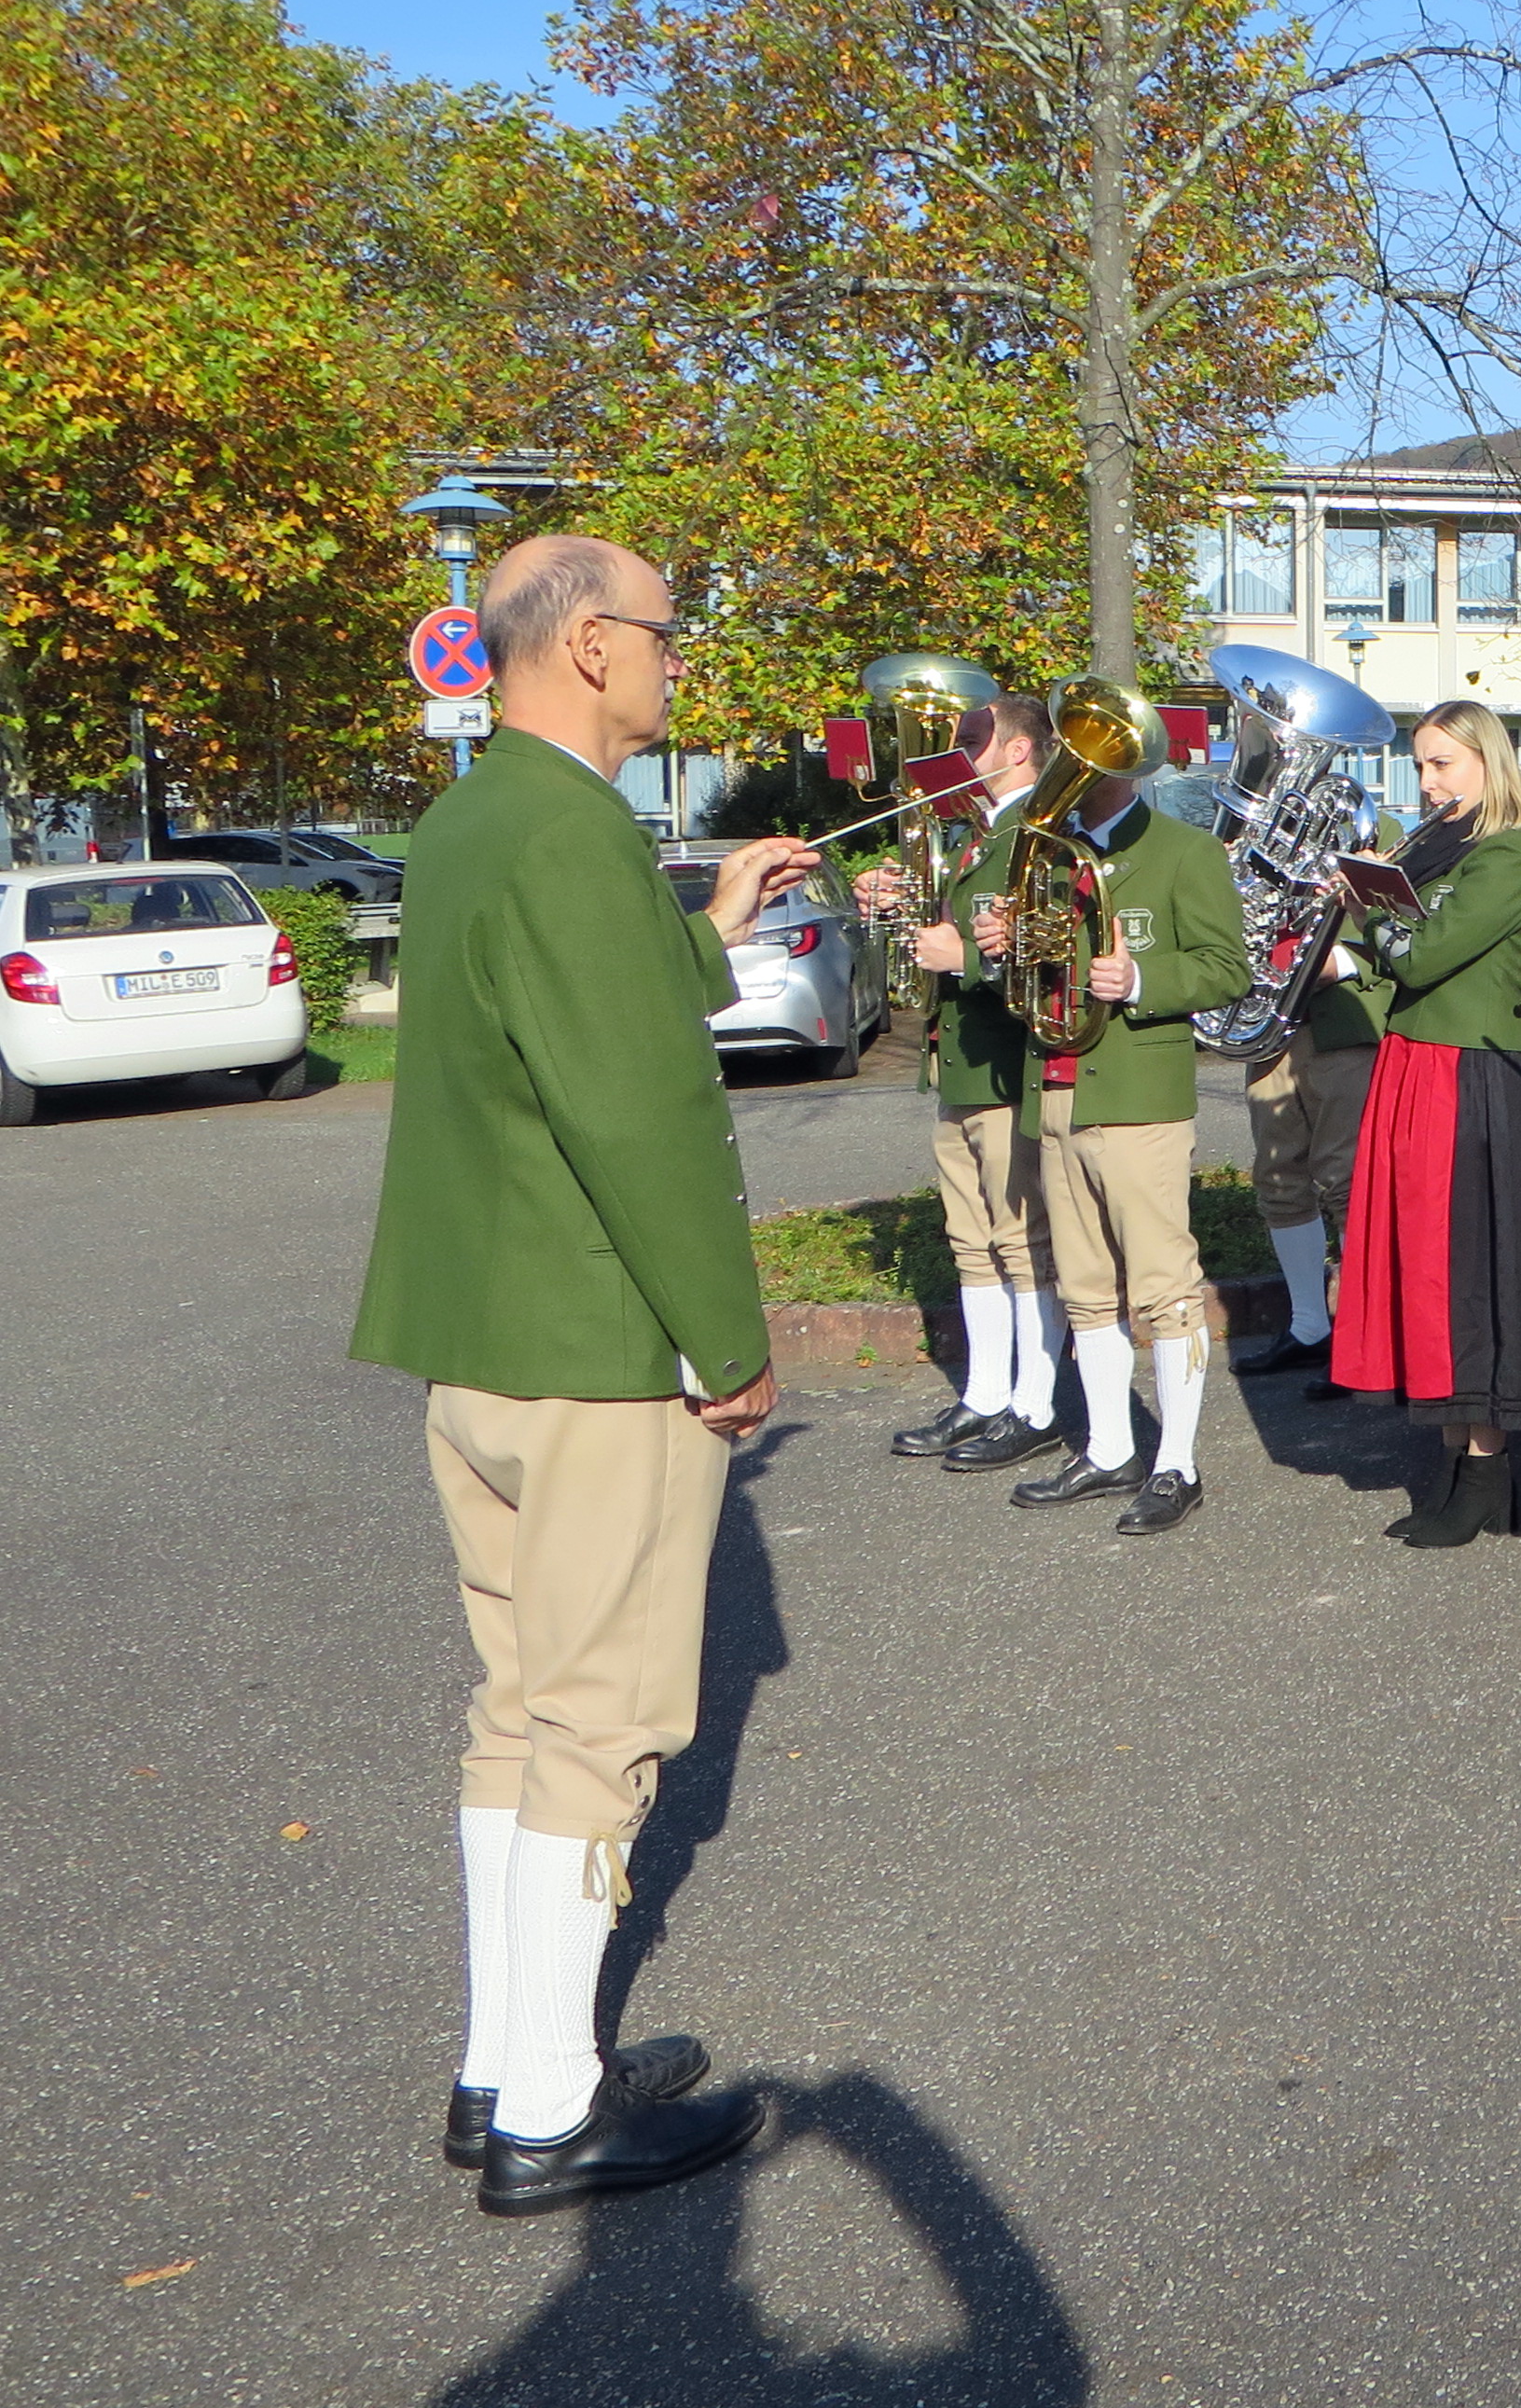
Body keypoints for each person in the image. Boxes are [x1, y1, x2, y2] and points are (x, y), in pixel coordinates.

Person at [350, 532, 801, 2215]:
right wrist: (730, 1343)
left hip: (479, 1342)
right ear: (595, 646)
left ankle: (503, 2061)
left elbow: (556, 1011)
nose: (682, 664)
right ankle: (551, 2107)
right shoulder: (577, 829)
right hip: (601, 1351)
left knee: (519, 1708)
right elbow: (638, 1111)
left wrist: (710, 922)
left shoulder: (478, 817)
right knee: (602, 1729)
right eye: (671, 636)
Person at [979, 717, 1251, 1536]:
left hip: (1137, 1095)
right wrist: (1000, 951)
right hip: (1053, 1086)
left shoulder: (1183, 851)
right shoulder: (1042, 852)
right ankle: (1108, 1448)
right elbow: (1030, 974)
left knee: (1164, 1288)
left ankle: (1179, 1464)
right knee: (1086, 1285)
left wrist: (1140, 977)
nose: (1071, 767)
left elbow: (1227, 967)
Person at [1334, 699, 1521, 1543]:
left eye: (1444, 764)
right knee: (1418, 1262)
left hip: (1470, 1073)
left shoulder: (1508, 853)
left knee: (1464, 1268)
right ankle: (1453, 1456)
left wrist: (1372, 907)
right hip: (1417, 1062)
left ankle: (1487, 1470)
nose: (1428, 780)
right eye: (1421, 764)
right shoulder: (1441, 847)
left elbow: (1424, 955)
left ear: (1487, 764)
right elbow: (1401, 951)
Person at [855, 695, 1067, 1471]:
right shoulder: (973, 836)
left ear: (1017, 751)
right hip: (960, 1064)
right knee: (972, 1241)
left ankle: (1036, 1402)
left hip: (1009, 1065)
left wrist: (968, 960)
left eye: (973, 739)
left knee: (1021, 1239)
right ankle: (985, 1393)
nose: (957, 750)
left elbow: (1053, 953)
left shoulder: (1036, 836)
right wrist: (894, 902)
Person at [1231, 825, 1395, 1395]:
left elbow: (1407, 931)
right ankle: (1309, 1326)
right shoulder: (1256, 831)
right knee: (1279, 1179)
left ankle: (1361, 1338)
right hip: (1271, 1024)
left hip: (1341, 1025)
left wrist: (1342, 960)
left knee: (1345, 1180)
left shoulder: (1376, 831)